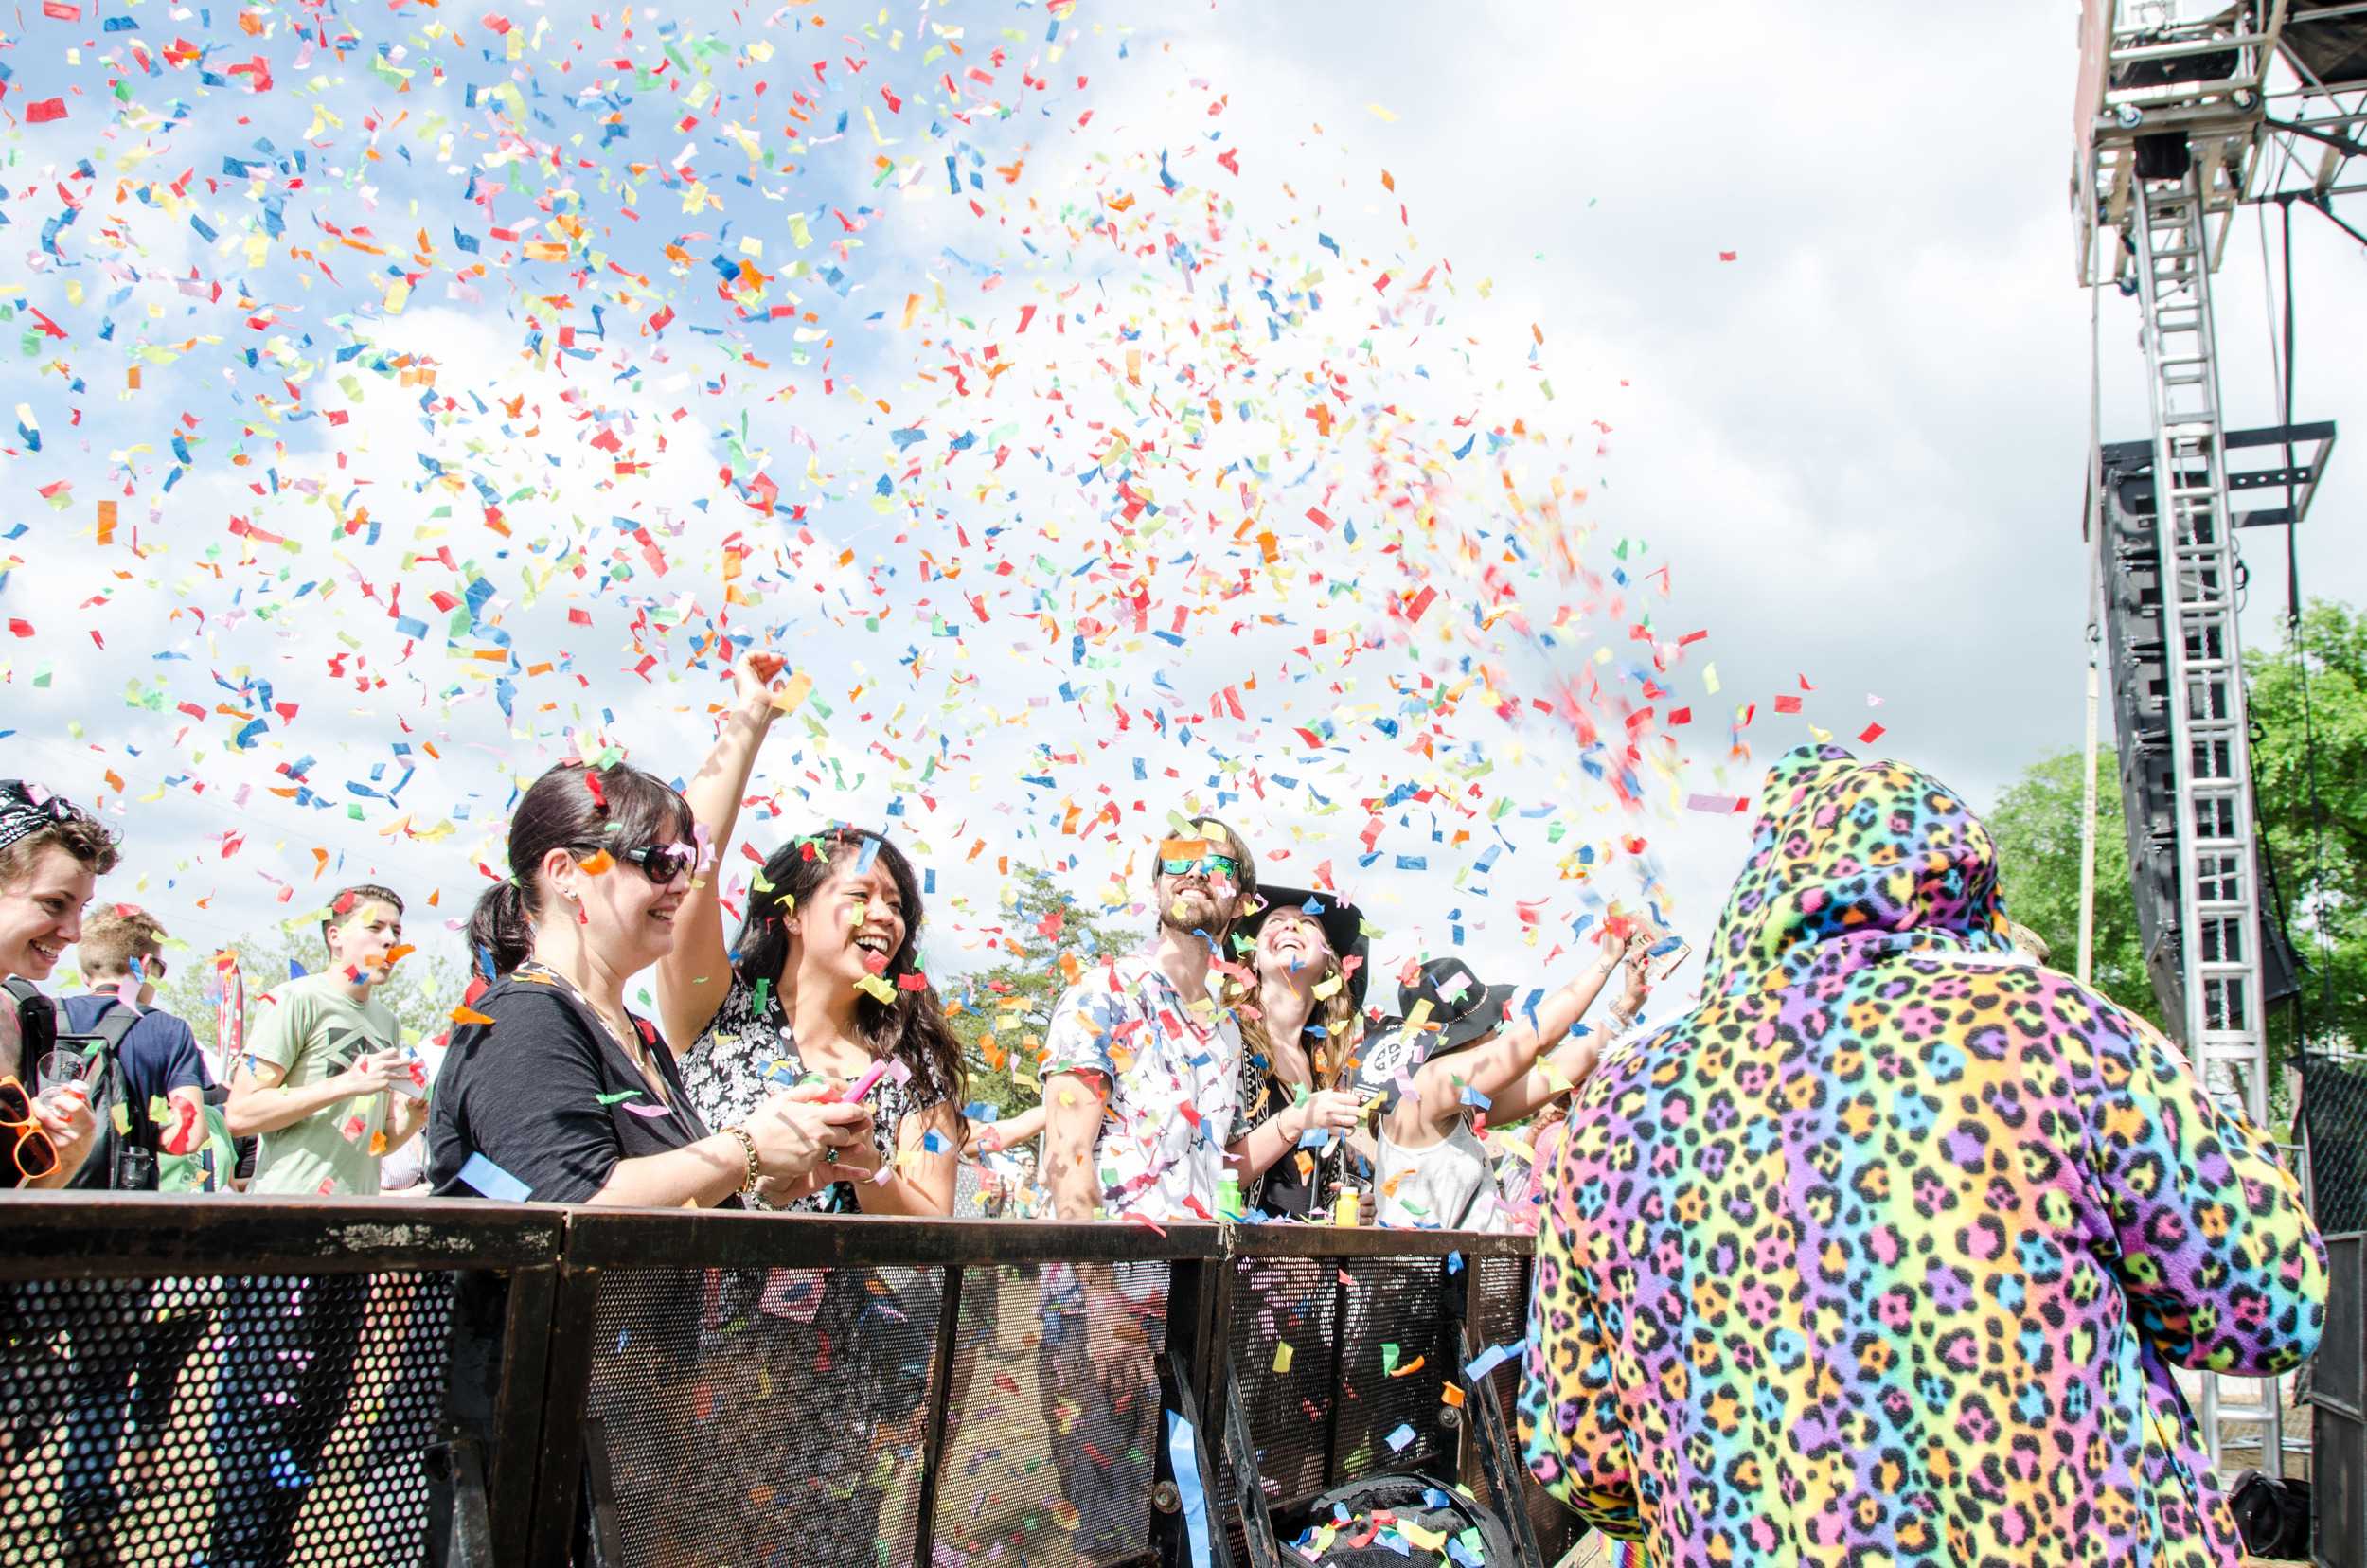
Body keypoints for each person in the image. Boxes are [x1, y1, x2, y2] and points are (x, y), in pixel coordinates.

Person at [1519, 744, 2328, 1565]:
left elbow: (1576, 1451)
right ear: (1962, 875)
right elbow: (2271, 1305)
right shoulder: (2058, 1031)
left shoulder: (1620, 1104)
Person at [430, 758, 870, 1206]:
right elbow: (572, 1208)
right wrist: (748, 1149)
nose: (682, 885)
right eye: (661, 864)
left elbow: (658, 1201)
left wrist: (766, 1181)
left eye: (687, 863)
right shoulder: (522, 1017)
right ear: (565, 872)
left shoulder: (639, 1036)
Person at [659, 650, 965, 1216]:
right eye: (860, 896)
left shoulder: (917, 1070)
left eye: (896, 906)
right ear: (792, 914)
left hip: (856, 1307)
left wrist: (869, 1167)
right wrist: (750, 716)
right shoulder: (716, 1011)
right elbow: (690, 860)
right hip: (695, 1302)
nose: (884, 917)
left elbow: (934, 1232)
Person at [213, 882, 427, 1568]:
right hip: (288, 1225)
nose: (388, 940)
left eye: (396, 928)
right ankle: (234, 1547)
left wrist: (413, 1116)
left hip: (352, 1230)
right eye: (374, 926)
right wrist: (347, 1082)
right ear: (335, 935)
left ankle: (272, 1540)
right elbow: (242, 1114)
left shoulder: (389, 1023)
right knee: (256, 1408)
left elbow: (373, 1143)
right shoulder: (297, 1000)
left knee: (319, 1404)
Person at [52, 907, 215, 1543]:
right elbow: (187, 1134)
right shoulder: (164, 1031)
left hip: (31, 1215)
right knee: (102, 1377)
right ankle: (87, 1510)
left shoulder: (41, 1016)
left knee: (23, 1367)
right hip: (117, 1229)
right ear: (145, 966)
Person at [1363, 935, 1646, 1231]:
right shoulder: (1426, 1086)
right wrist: (1606, 960)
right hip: (1422, 1277)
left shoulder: (1458, 1102)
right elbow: (1535, 1038)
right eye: (1494, 1027)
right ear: (1473, 1038)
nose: (1500, 1034)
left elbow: (1554, 1075)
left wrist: (1626, 1007)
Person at [1220, 886, 1371, 1219]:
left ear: (1330, 963)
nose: (1290, 926)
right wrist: (1295, 1120)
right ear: (1253, 957)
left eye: (1307, 923)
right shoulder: (1223, 1038)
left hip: (1300, 1267)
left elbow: (1302, 1194)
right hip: (1230, 1264)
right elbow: (1203, 1173)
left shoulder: (1327, 1069)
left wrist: (1343, 1210)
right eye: (1275, 921)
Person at [0, 780, 111, 1190]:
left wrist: (69, 1154)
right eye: (54, 904)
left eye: (81, 908)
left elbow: (20, 1206)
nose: (74, 932)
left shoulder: (26, 1016)